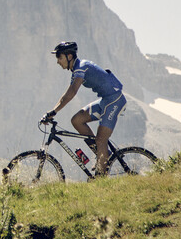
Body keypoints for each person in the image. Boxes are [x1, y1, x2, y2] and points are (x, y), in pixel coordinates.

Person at [43, 41, 127, 177]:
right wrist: (53, 111)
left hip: (115, 100)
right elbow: (67, 94)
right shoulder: (76, 70)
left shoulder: (81, 67)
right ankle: (103, 154)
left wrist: (54, 112)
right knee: (77, 120)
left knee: (101, 139)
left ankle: (101, 176)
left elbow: (71, 93)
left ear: (69, 56)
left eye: (59, 57)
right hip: (105, 100)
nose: (57, 61)